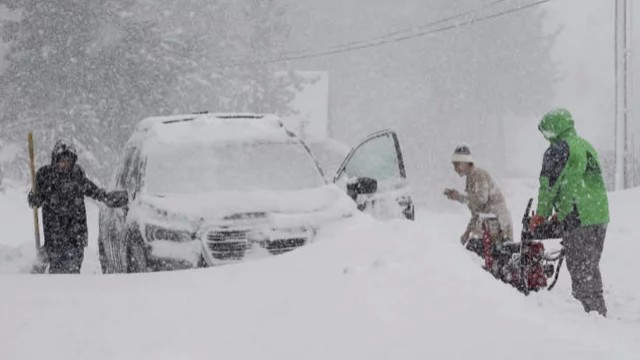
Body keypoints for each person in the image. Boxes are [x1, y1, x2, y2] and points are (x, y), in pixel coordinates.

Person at [530, 108, 609, 316]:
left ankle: (592, 318)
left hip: (579, 216)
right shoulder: (585, 145)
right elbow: (577, 181)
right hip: (599, 215)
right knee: (589, 267)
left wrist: (541, 215)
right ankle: (597, 312)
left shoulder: (558, 149)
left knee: (581, 271)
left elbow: (548, 186)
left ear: (555, 129)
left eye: (546, 132)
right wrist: (562, 210)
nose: (546, 138)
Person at [28, 139, 128, 274]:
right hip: (54, 235)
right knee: (57, 273)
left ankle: (72, 293)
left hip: (76, 235)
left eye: (68, 161)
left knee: (72, 272)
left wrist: (106, 197)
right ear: (55, 160)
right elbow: (35, 199)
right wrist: (34, 198)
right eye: (61, 161)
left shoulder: (77, 175)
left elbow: (91, 189)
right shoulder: (45, 175)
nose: (65, 165)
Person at [444, 145, 514, 256]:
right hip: (488, 226)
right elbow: (477, 212)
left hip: (499, 226)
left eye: (457, 164)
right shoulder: (470, 178)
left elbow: (481, 200)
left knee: (476, 254)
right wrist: (467, 232)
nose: (455, 169)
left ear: (465, 162)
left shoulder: (479, 175)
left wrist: (459, 196)